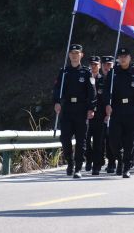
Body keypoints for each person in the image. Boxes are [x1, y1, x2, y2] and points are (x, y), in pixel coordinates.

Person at [52, 44, 97, 179]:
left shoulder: (86, 72)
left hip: (81, 110)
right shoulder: (64, 72)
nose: (74, 55)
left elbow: (92, 91)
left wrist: (91, 108)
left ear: (81, 55)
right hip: (67, 109)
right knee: (65, 138)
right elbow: (57, 89)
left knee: (81, 140)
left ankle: (78, 167)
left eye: (77, 53)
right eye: (72, 53)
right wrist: (56, 102)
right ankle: (70, 162)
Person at [104, 48, 134, 178]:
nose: (123, 58)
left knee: (129, 142)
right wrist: (107, 104)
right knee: (113, 141)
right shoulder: (113, 73)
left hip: (132, 111)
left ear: (129, 58)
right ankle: (120, 159)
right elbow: (106, 92)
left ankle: (126, 167)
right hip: (116, 111)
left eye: (125, 56)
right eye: (120, 56)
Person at [85, 55, 110, 175]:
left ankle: (96, 165)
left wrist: (106, 114)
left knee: (98, 142)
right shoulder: (85, 78)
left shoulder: (104, 80)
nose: (94, 66)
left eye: (96, 64)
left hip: (99, 116)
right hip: (86, 115)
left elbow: (106, 99)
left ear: (99, 66)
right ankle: (88, 159)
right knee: (85, 140)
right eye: (92, 64)